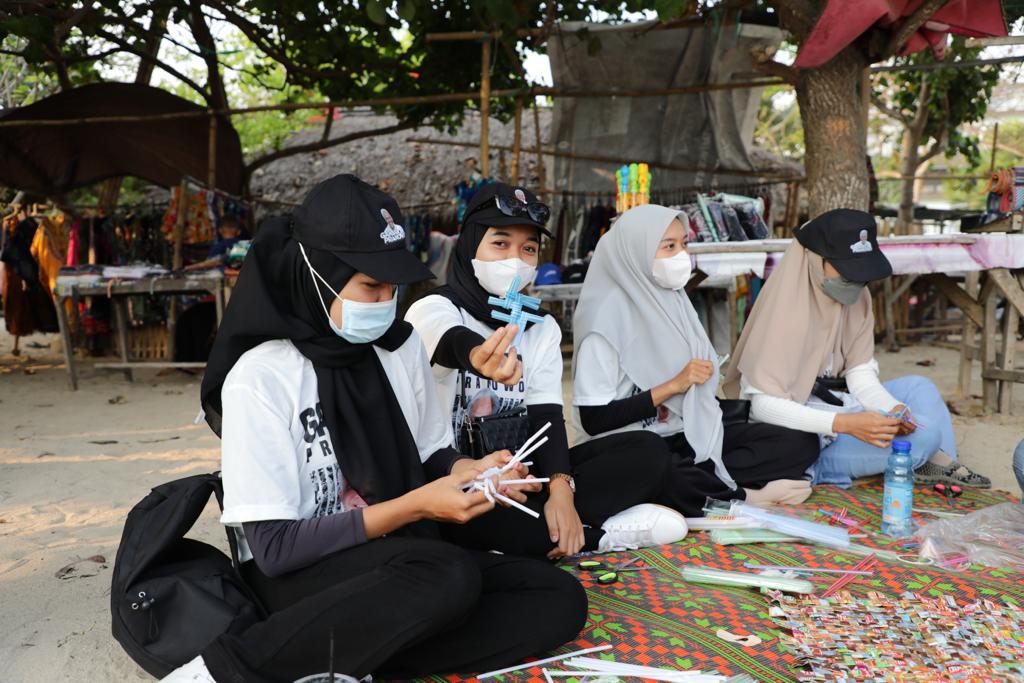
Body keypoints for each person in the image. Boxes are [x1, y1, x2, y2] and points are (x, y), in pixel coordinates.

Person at [162, 175, 587, 683]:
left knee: (555, 597)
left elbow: (430, 451)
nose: (386, 300)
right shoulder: (262, 376)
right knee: (446, 576)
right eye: (370, 284)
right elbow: (274, 550)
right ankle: (229, 669)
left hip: (401, 553)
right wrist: (420, 504)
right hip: (304, 570)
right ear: (319, 273)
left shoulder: (398, 346)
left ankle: (348, 653)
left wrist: (471, 469)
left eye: (393, 286)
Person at [405, 183, 688, 560]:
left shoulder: (540, 325)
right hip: (459, 479)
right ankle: (594, 536)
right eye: (500, 244)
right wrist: (477, 355)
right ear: (471, 244)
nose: (516, 260)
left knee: (648, 450)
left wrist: (560, 489)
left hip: (526, 477)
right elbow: (449, 339)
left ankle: (550, 527)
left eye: (529, 249)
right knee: (470, 516)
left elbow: (547, 417)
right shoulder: (435, 307)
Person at [572, 205, 821, 518]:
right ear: (636, 253)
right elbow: (594, 420)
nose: (681, 255)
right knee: (658, 465)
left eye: (684, 244)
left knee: (798, 443)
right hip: (631, 447)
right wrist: (674, 385)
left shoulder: (671, 301)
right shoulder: (604, 323)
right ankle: (740, 496)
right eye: (669, 247)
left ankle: (703, 487)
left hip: (684, 434)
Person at [723, 209, 990, 489]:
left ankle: (937, 468)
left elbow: (858, 371)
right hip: (801, 436)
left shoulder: (855, 294)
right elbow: (764, 407)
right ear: (814, 260)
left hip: (836, 403)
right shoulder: (782, 311)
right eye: (847, 268)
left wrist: (892, 409)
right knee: (925, 437)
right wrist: (845, 424)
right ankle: (833, 468)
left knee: (918, 389)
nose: (856, 280)